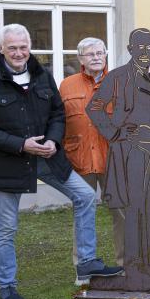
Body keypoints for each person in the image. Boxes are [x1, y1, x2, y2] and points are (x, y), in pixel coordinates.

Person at [0, 24, 122, 299]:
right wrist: (20, 144)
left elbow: (56, 114)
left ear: (30, 48)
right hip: (8, 163)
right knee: (7, 226)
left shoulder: (42, 77)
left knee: (86, 195)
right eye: (12, 47)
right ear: (1, 48)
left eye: (23, 47)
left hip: (46, 156)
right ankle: (7, 286)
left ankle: (86, 262)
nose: (18, 53)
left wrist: (52, 140)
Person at [88, 28, 150, 282]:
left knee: (148, 211)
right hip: (130, 154)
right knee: (133, 209)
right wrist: (115, 133)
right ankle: (133, 268)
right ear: (130, 50)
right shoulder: (117, 77)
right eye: (140, 48)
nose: (145, 52)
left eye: (149, 48)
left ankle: (148, 268)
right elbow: (93, 107)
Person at [60, 37, 126, 277]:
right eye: (90, 54)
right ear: (80, 59)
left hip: (113, 160)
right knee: (83, 211)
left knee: (121, 212)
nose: (96, 57)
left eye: (100, 53)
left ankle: (126, 265)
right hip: (79, 159)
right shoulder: (67, 86)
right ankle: (83, 266)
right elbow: (59, 122)